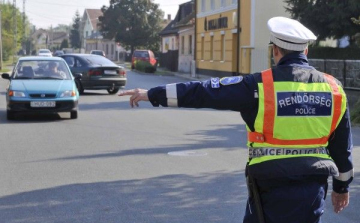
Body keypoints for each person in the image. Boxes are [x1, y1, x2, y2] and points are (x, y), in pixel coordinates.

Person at [118, 17, 353, 223]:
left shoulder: (258, 86)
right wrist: (341, 188)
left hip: (269, 187)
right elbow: (342, 148)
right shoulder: (334, 89)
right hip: (313, 189)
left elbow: (203, 91)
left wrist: (151, 94)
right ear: (306, 52)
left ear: (275, 51)